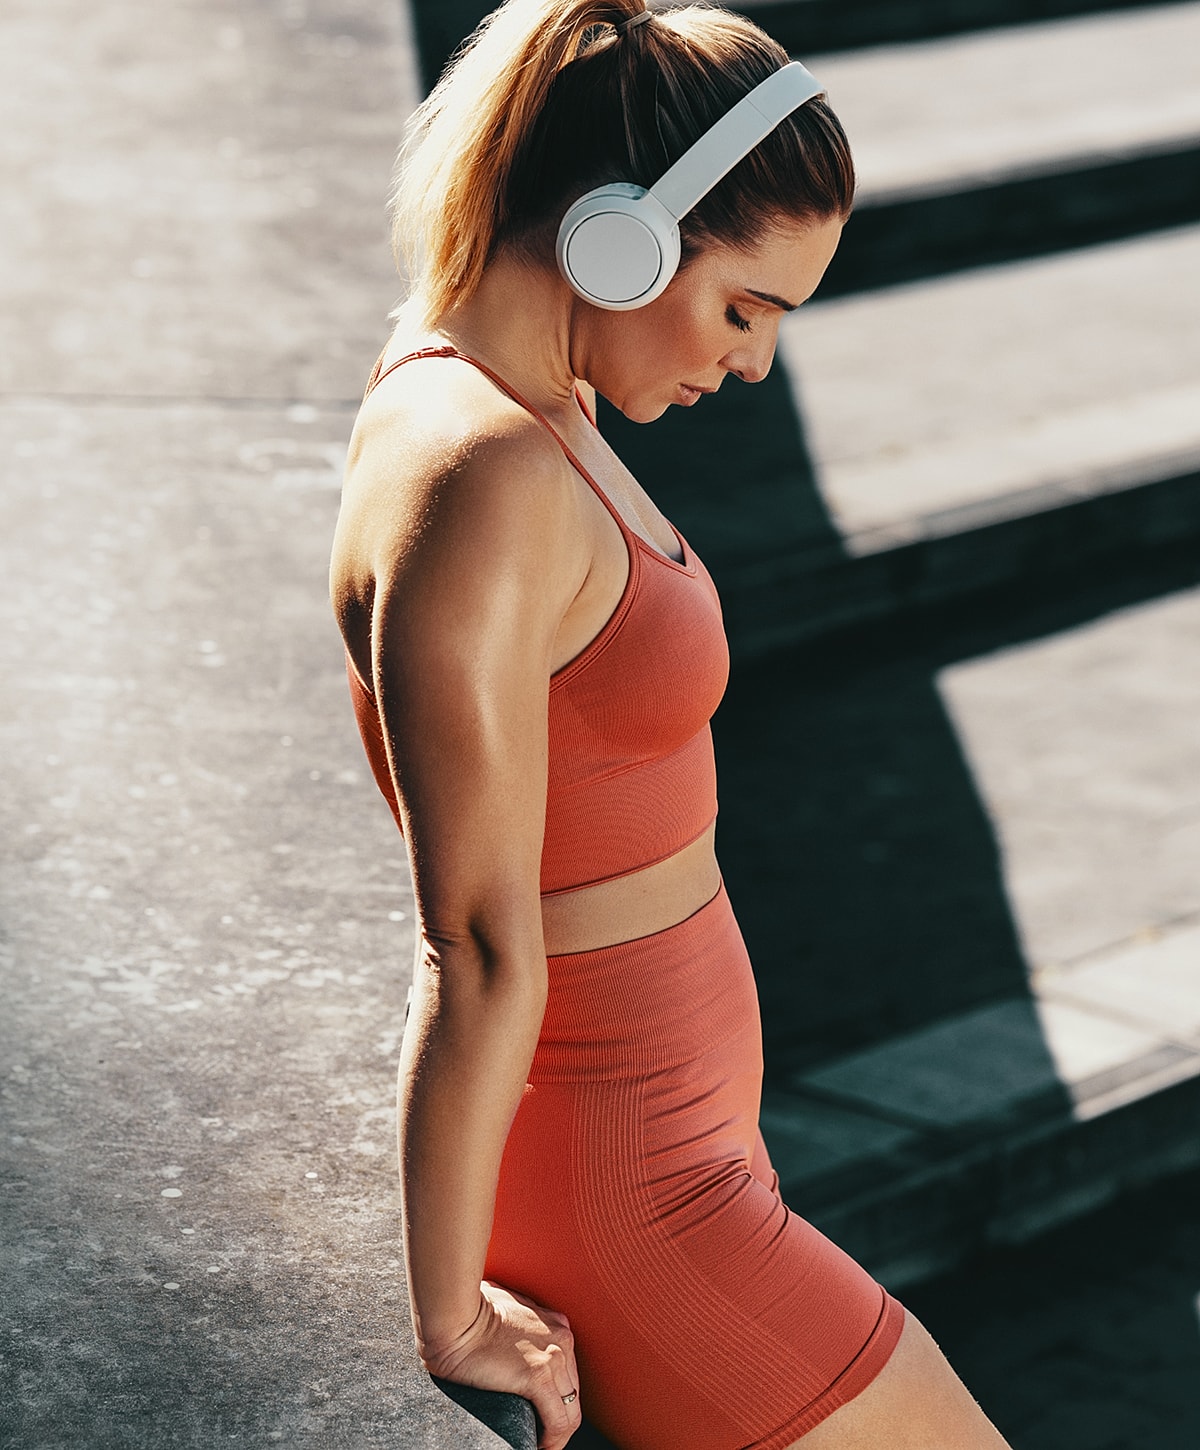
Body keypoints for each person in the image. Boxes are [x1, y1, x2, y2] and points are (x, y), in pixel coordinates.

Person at [329, 3, 1013, 1447]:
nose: (756, 364)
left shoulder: (535, 407)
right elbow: (477, 937)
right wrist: (448, 1312)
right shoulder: (486, 472)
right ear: (617, 240)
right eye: (744, 308)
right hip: (638, 1197)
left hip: (683, 1159)